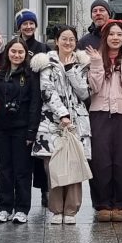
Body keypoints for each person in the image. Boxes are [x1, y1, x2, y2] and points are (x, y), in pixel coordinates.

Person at [31, 26, 92, 223]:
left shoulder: (82, 63)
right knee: (54, 166)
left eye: (72, 39)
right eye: (64, 39)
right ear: (56, 41)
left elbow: (84, 92)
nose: (68, 43)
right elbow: (47, 91)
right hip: (52, 121)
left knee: (75, 163)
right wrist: (62, 114)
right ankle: (57, 210)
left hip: (77, 121)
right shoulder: (46, 62)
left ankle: (71, 211)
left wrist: (70, 70)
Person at [84, 18, 122, 222]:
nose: (115, 38)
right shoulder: (95, 58)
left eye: (119, 34)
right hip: (99, 113)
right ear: (105, 37)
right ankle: (102, 204)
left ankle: (121, 205)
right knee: (101, 160)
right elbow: (94, 88)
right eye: (111, 34)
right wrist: (97, 63)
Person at [0, 38, 42, 223]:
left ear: (25, 55)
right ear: (7, 52)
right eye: (13, 51)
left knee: (22, 170)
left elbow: (34, 104)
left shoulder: (31, 75)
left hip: (23, 128)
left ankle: (22, 208)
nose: (16, 55)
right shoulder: (0, 73)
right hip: (2, 128)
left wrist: (32, 131)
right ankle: (5, 207)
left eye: (20, 52)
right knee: (4, 169)